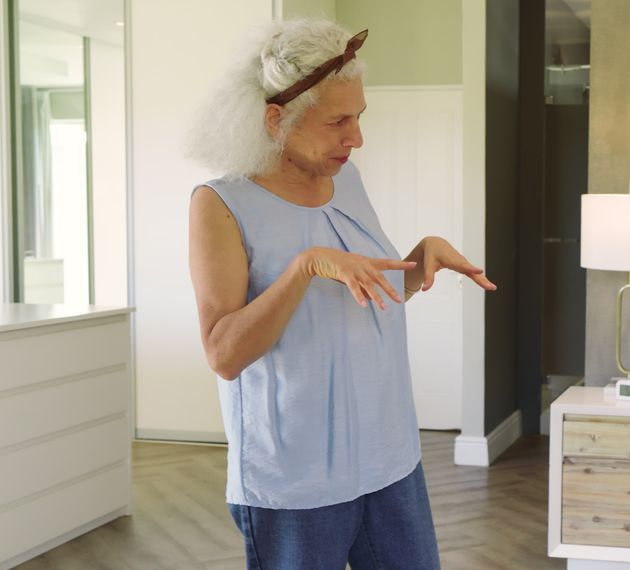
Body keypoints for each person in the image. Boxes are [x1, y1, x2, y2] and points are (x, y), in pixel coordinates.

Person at [186, 20, 494, 569]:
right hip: (297, 480)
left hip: (389, 457)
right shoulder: (220, 203)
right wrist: (302, 268)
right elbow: (223, 354)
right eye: (338, 122)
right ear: (275, 119)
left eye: (358, 117)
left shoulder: (344, 179)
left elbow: (361, 294)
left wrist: (417, 261)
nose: (356, 138)